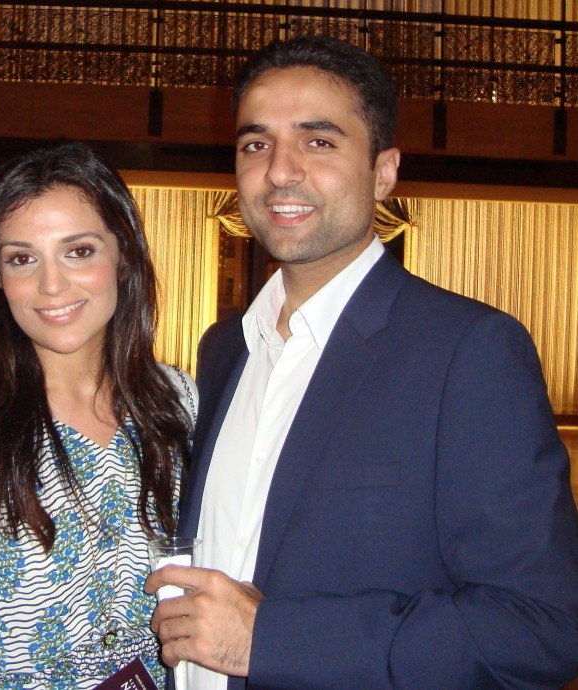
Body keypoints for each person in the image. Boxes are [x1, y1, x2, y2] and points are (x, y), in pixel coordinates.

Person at [146, 34, 578, 689]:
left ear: (383, 171)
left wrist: (273, 640)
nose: (280, 171)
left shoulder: (470, 352)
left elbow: (540, 628)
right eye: (255, 143)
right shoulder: (223, 347)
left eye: (319, 142)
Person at [0, 141, 197, 689]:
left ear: (124, 253)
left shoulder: (177, 402)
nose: (51, 286)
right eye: (22, 258)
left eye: (79, 251)